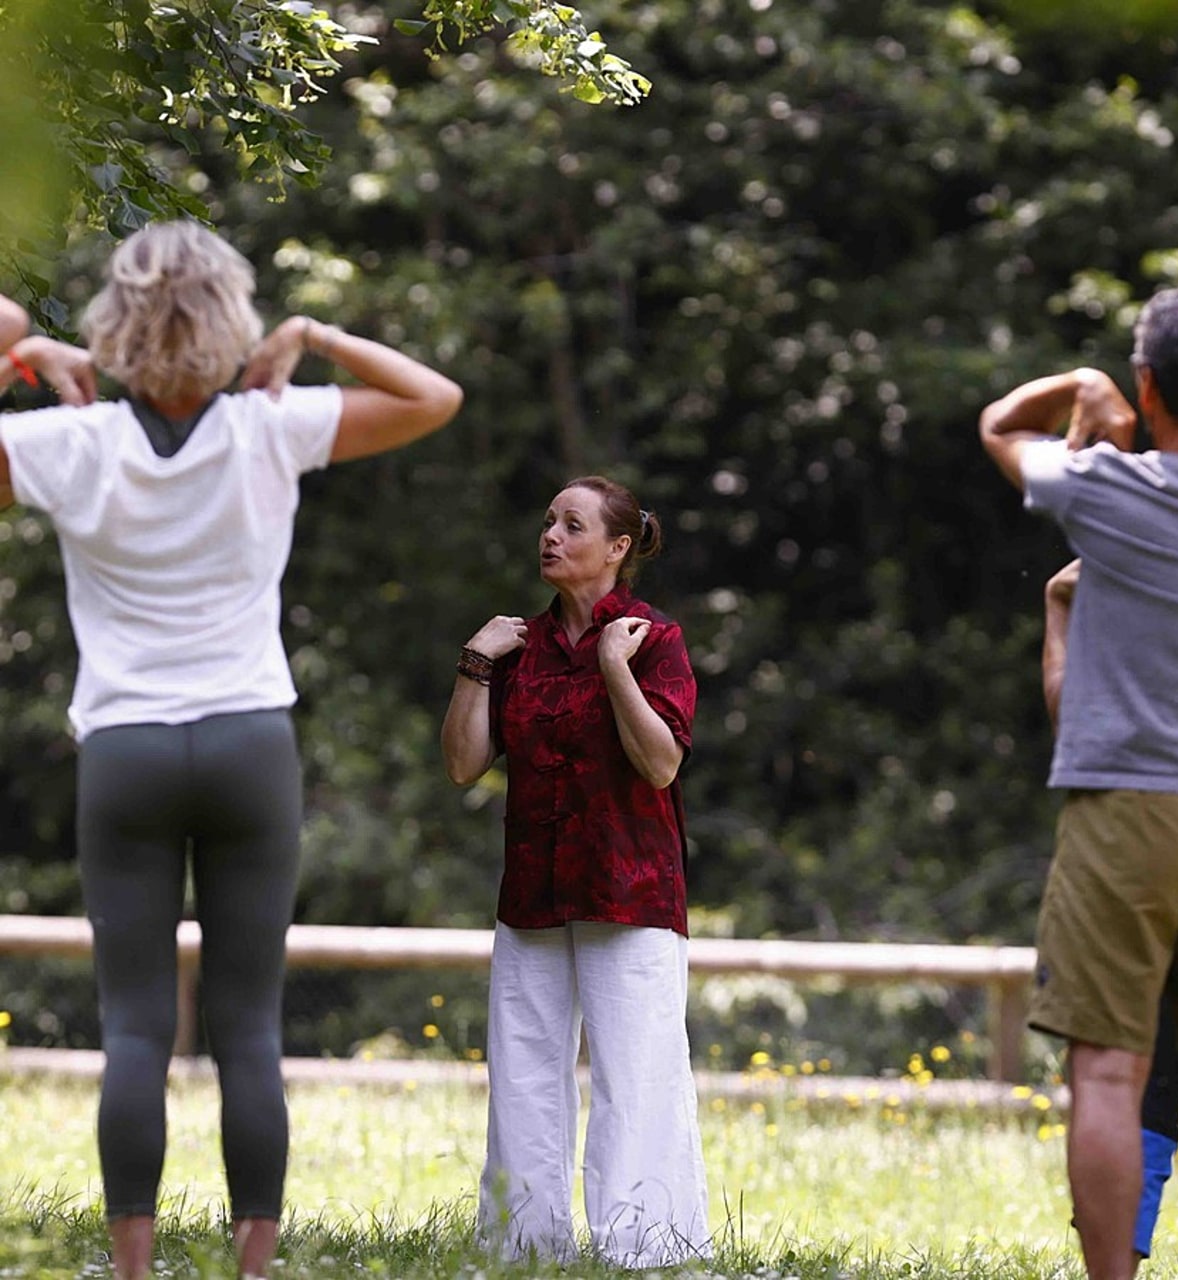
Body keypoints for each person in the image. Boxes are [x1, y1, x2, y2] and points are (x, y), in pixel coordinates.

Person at [0, 220, 464, 1280]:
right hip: (250, 741)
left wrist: (27, 350)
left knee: (132, 1029)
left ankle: (133, 1269)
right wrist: (314, 330)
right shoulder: (273, 424)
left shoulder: (67, 442)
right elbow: (434, 398)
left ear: (116, 320)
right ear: (235, 319)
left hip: (125, 749)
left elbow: (10, 336)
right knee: (249, 1026)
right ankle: (252, 1269)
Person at [979, 285, 1178, 1280]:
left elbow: (998, 425)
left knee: (1107, 1070)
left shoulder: (1094, 491)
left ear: (1147, 388)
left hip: (1124, 810)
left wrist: (1082, 386)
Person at [440, 474, 711, 1267]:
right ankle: (522, 1244)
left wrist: (615, 670)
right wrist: (474, 664)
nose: (550, 535)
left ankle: (644, 1247)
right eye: (548, 520)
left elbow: (660, 766)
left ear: (618, 548)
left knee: (637, 1074)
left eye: (572, 524)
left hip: (630, 893)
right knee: (522, 1072)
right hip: (531, 891)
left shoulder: (653, 639)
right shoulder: (515, 646)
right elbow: (463, 765)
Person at [1043, 558, 1178, 1270]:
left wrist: (1058, 607)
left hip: (1144, 846)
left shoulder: (1135, 564)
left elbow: (1070, 713)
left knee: (1132, 1076)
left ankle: (1116, 1267)